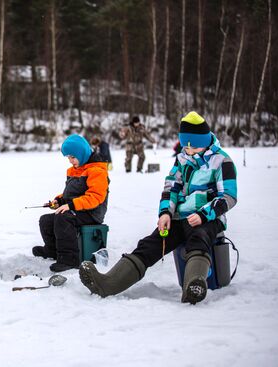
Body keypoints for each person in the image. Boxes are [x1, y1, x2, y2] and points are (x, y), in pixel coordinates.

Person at [79, 111, 237, 304]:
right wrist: (165, 213)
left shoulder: (222, 160)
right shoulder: (182, 159)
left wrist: (205, 214)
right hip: (179, 218)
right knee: (150, 244)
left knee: (199, 238)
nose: (190, 152)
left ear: (205, 141)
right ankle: (107, 284)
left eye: (194, 147)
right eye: (186, 148)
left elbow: (228, 196)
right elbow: (171, 188)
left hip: (209, 219)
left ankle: (193, 286)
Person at [32, 134, 109, 272]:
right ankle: (52, 250)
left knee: (64, 217)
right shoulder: (75, 170)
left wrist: (70, 206)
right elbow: (69, 193)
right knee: (46, 220)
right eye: (68, 158)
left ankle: (69, 259)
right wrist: (59, 201)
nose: (70, 161)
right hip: (77, 209)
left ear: (82, 153)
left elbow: (95, 197)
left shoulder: (97, 171)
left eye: (72, 157)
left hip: (91, 213)